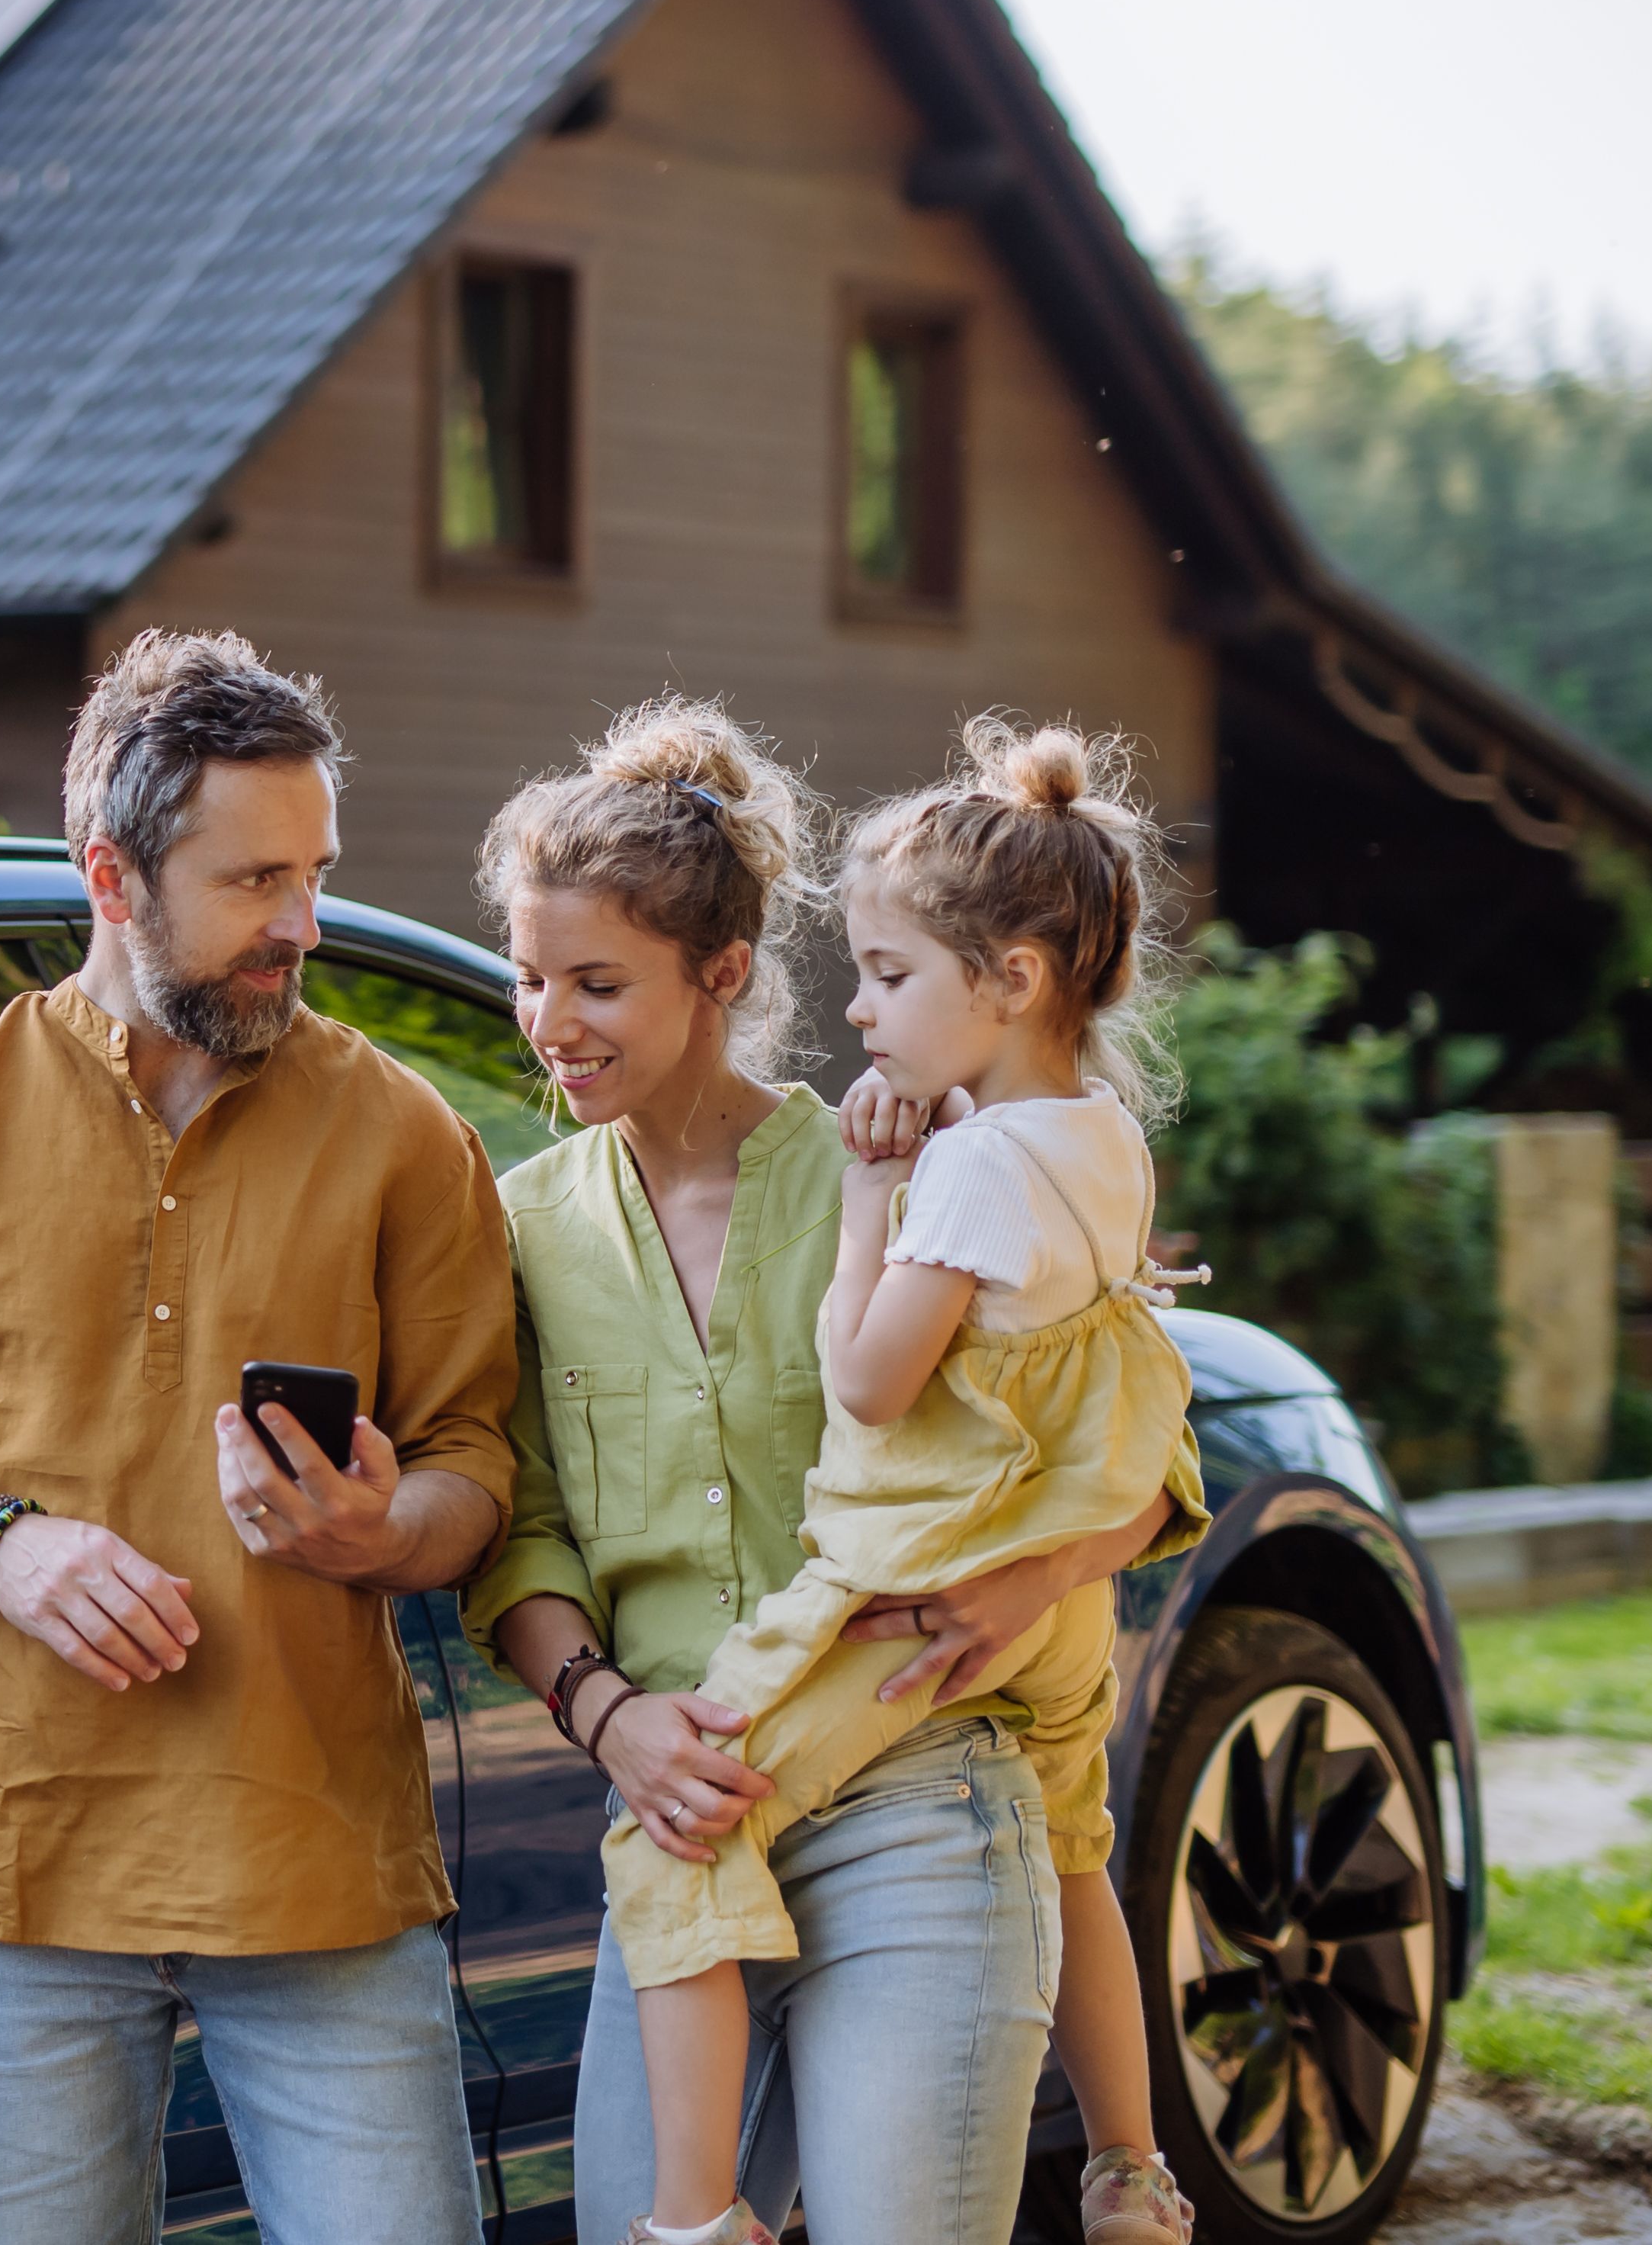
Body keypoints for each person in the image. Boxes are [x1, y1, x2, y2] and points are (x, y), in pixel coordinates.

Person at [0, 628, 517, 2245]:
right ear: (112, 876)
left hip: (311, 1854)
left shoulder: (406, 1139)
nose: (301, 925)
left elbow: (476, 1470)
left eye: (311, 873)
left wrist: (382, 1534)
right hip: (22, 1858)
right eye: (255, 883)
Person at [467, 696, 1204, 2245]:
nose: (548, 1021)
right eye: (533, 979)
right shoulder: (520, 1226)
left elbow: (1123, 1443)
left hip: (921, 1792)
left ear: (720, 975)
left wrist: (1031, 1579)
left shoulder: (917, 1154)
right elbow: (517, 1533)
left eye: (595, 983)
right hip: (684, 1805)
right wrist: (611, 1721)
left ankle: (1127, 2164)